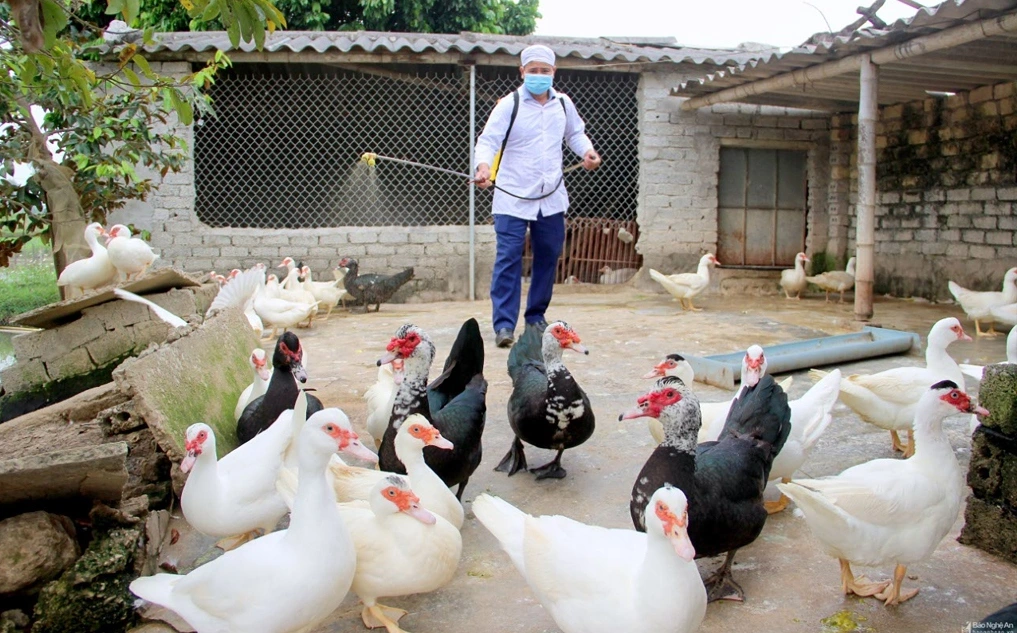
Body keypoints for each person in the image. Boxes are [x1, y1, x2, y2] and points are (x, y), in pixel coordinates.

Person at [474, 44, 601, 349]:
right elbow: (488, 140)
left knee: (548, 254)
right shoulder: (510, 104)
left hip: (551, 197)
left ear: (554, 72)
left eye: (545, 70)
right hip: (512, 196)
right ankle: (504, 325)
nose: (539, 75)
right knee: (508, 258)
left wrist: (587, 151)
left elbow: (575, 134)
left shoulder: (563, 104)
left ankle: (535, 318)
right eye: (533, 70)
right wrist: (483, 167)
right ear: (522, 72)